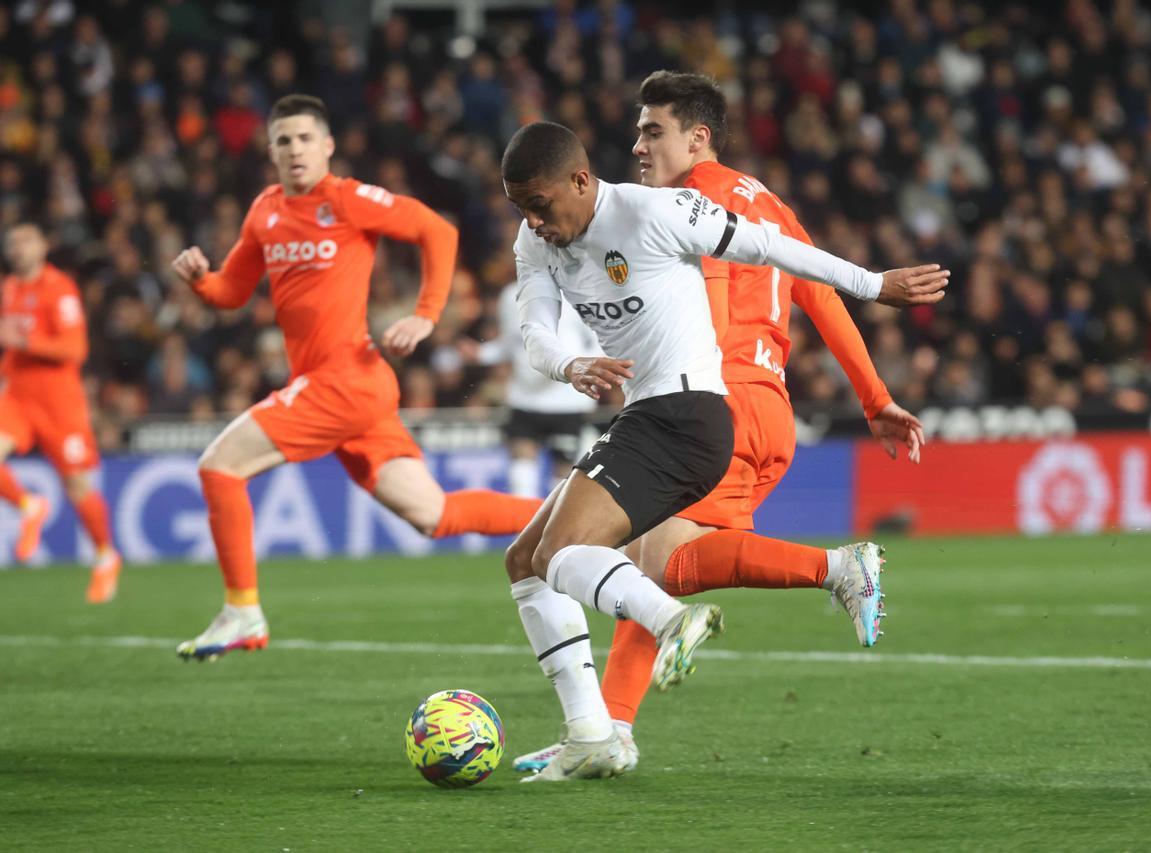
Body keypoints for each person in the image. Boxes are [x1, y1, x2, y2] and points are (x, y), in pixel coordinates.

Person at [500, 121, 948, 781]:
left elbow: (777, 249)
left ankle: (674, 623)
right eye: (522, 209)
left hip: (691, 414)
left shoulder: (661, 210)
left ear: (579, 180)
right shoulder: (535, 240)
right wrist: (570, 365)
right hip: (648, 416)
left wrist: (875, 284)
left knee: (580, 555)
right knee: (528, 560)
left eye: (540, 204)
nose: (534, 220)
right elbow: (535, 325)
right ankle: (594, 730)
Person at [170, 95, 542, 661]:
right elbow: (233, 291)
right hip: (345, 392)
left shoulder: (346, 199)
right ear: (271, 151)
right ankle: (571, 516)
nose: (294, 149)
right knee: (433, 514)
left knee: (219, 467)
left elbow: (436, 231)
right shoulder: (264, 212)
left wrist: (425, 312)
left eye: (304, 138)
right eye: (283, 141)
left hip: (344, 379)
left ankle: (242, 610)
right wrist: (202, 281)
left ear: (327, 146)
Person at [0, 222, 122, 602]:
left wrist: (23, 340)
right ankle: (28, 503)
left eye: (25, 240)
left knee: (77, 487)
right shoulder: (9, 288)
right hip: (17, 398)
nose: (17, 248)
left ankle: (105, 557)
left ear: (42, 246)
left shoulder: (60, 289)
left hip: (58, 402)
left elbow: (74, 350)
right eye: (12, 243)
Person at [475, 280, 601, 498]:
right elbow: (511, 341)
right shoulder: (511, 294)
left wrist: (589, 369)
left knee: (562, 474)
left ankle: (553, 528)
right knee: (521, 471)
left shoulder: (581, 289)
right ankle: (522, 526)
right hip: (525, 397)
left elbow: (600, 340)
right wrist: (483, 354)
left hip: (567, 400)